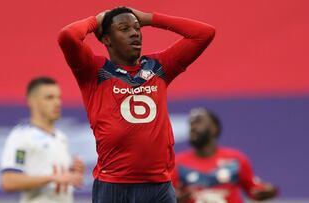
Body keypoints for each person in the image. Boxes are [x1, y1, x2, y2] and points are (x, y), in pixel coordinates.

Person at [58, 6, 215, 203]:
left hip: (158, 186)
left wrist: (150, 18)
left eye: (137, 28)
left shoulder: (159, 66)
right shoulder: (94, 71)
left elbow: (204, 34)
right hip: (113, 185)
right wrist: (95, 21)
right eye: (124, 29)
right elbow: (67, 36)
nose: (134, 33)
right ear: (106, 39)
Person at [0, 76, 85, 203]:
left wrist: (71, 173)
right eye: (49, 98)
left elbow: (55, 176)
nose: (57, 103)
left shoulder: (61, 137)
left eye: (59, 97)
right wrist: (51, 178)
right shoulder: (22, 136)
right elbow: (9, 181)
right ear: (32, 101)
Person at [172, 107, 278, 203]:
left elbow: (254, 191)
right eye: (191, 124)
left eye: (198, 122)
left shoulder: (235, 159)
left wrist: (269, 191)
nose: (193, 127)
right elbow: (167, 196)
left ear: (214, 128)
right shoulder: (177, 163)